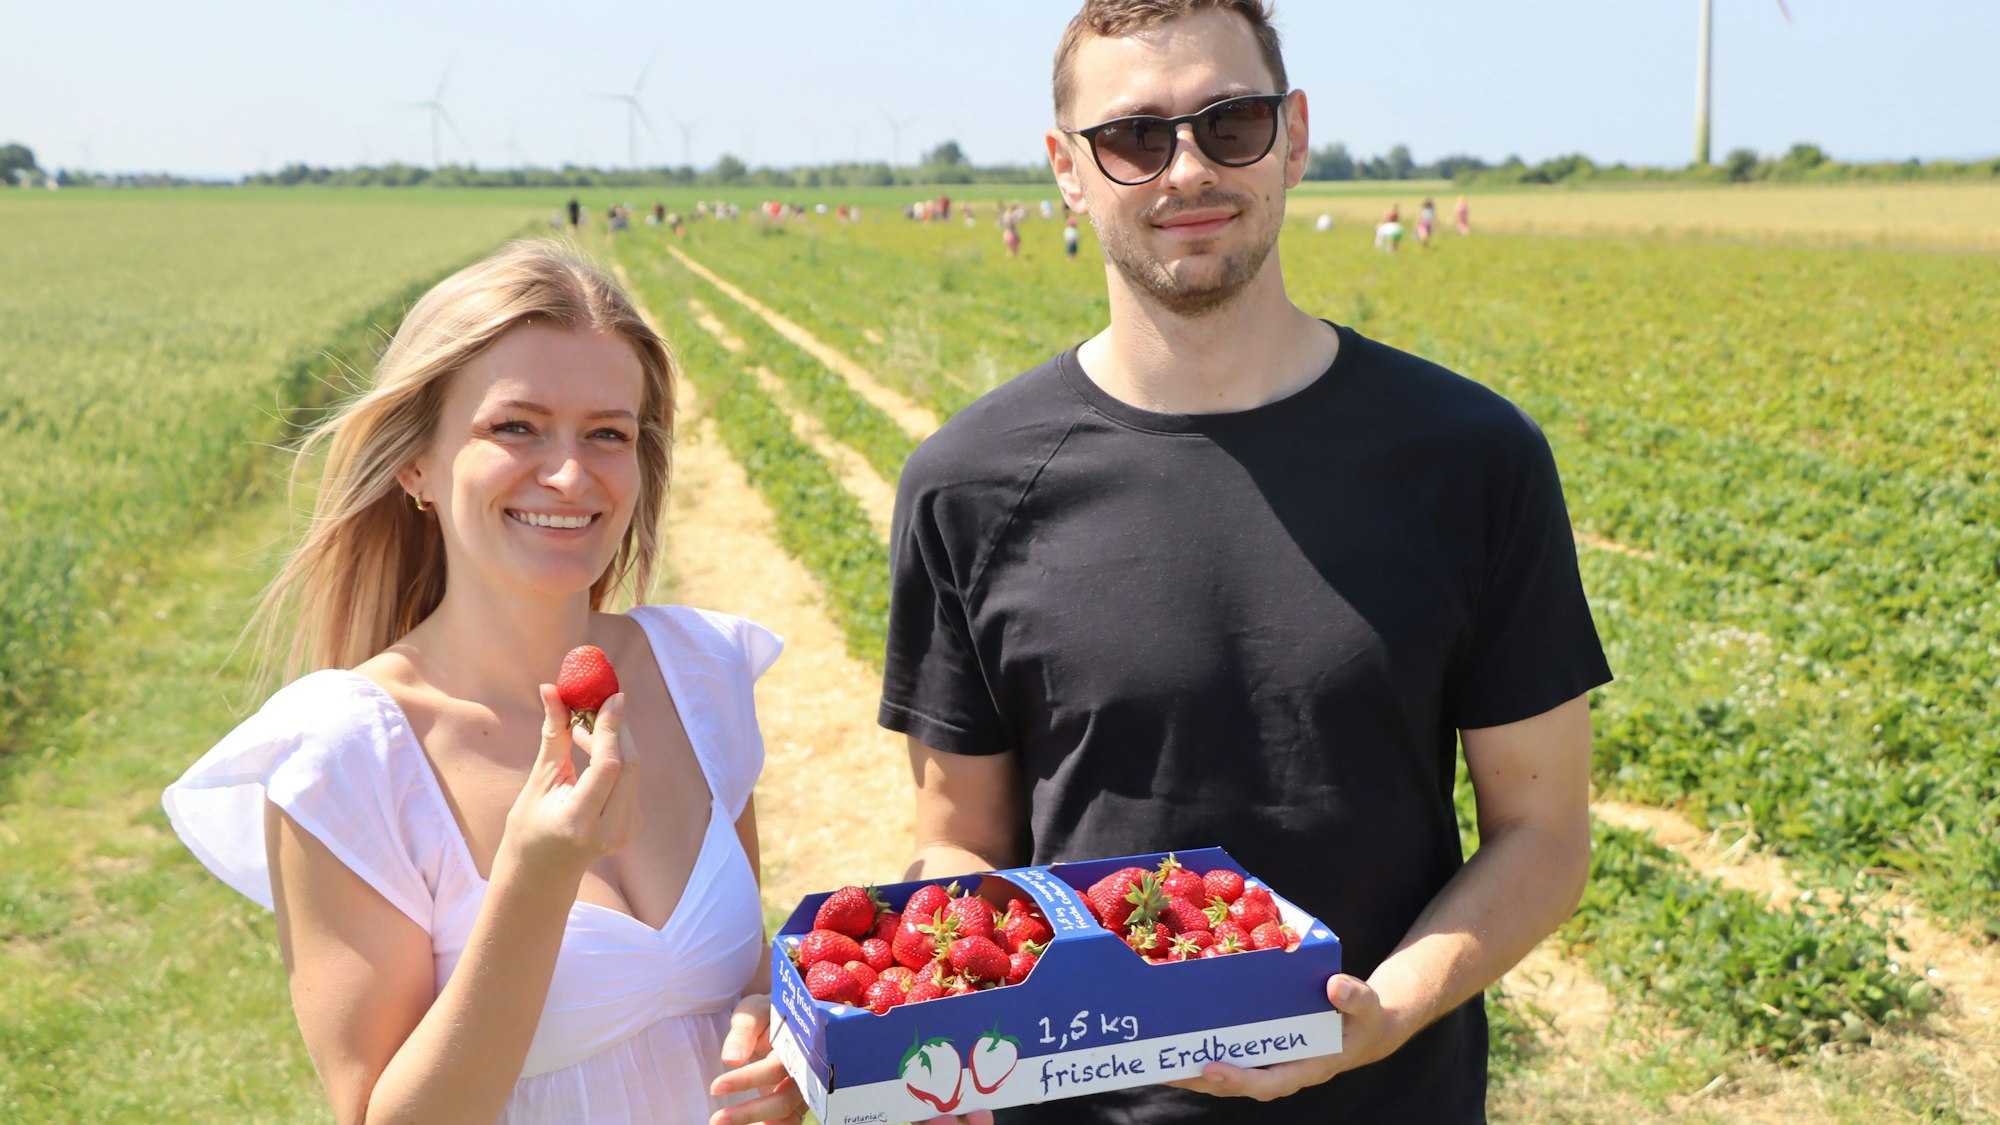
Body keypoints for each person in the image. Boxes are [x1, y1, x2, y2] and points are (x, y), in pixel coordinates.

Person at [879, 2, 1609, 1123]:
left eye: (1231, 123)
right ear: (1066, 172)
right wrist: (910, 1015)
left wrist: (1383, 1013)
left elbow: (1544, 831)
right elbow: (959, 838)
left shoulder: (1469, 458)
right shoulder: (967, 484)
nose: (1187, 170)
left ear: (1294, 136)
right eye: (1132, 137)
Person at [161, 241, 805, 1125]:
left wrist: (777, 1046)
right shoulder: (347, 754)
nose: (570, 474)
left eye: (607, 433)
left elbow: (738, 983)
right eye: (517, 426)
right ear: (415, 464)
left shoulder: (698, 672)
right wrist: (535, 880)